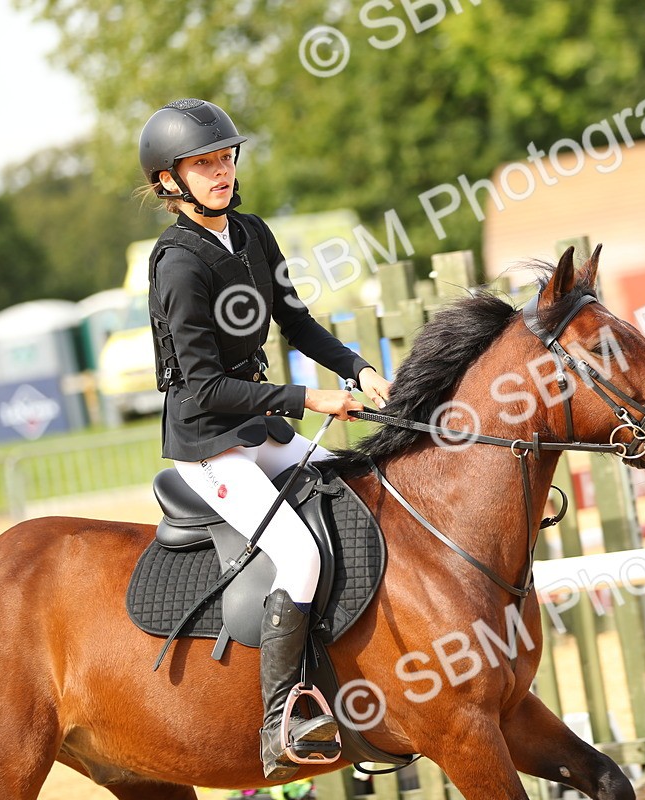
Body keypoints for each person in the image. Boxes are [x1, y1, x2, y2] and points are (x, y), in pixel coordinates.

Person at [137, 99, 392, 780]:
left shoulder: (251, 233)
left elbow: (298, 323)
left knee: (360, 490)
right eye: (203, 164)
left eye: (226, 158)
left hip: (259, 429)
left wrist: (357, 367)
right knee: (299, 554)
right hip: (210, 445)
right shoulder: (177, 266)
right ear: (169, 182)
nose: (221, 172)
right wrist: (309, 396)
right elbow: (204, 387)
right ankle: (284, 720)